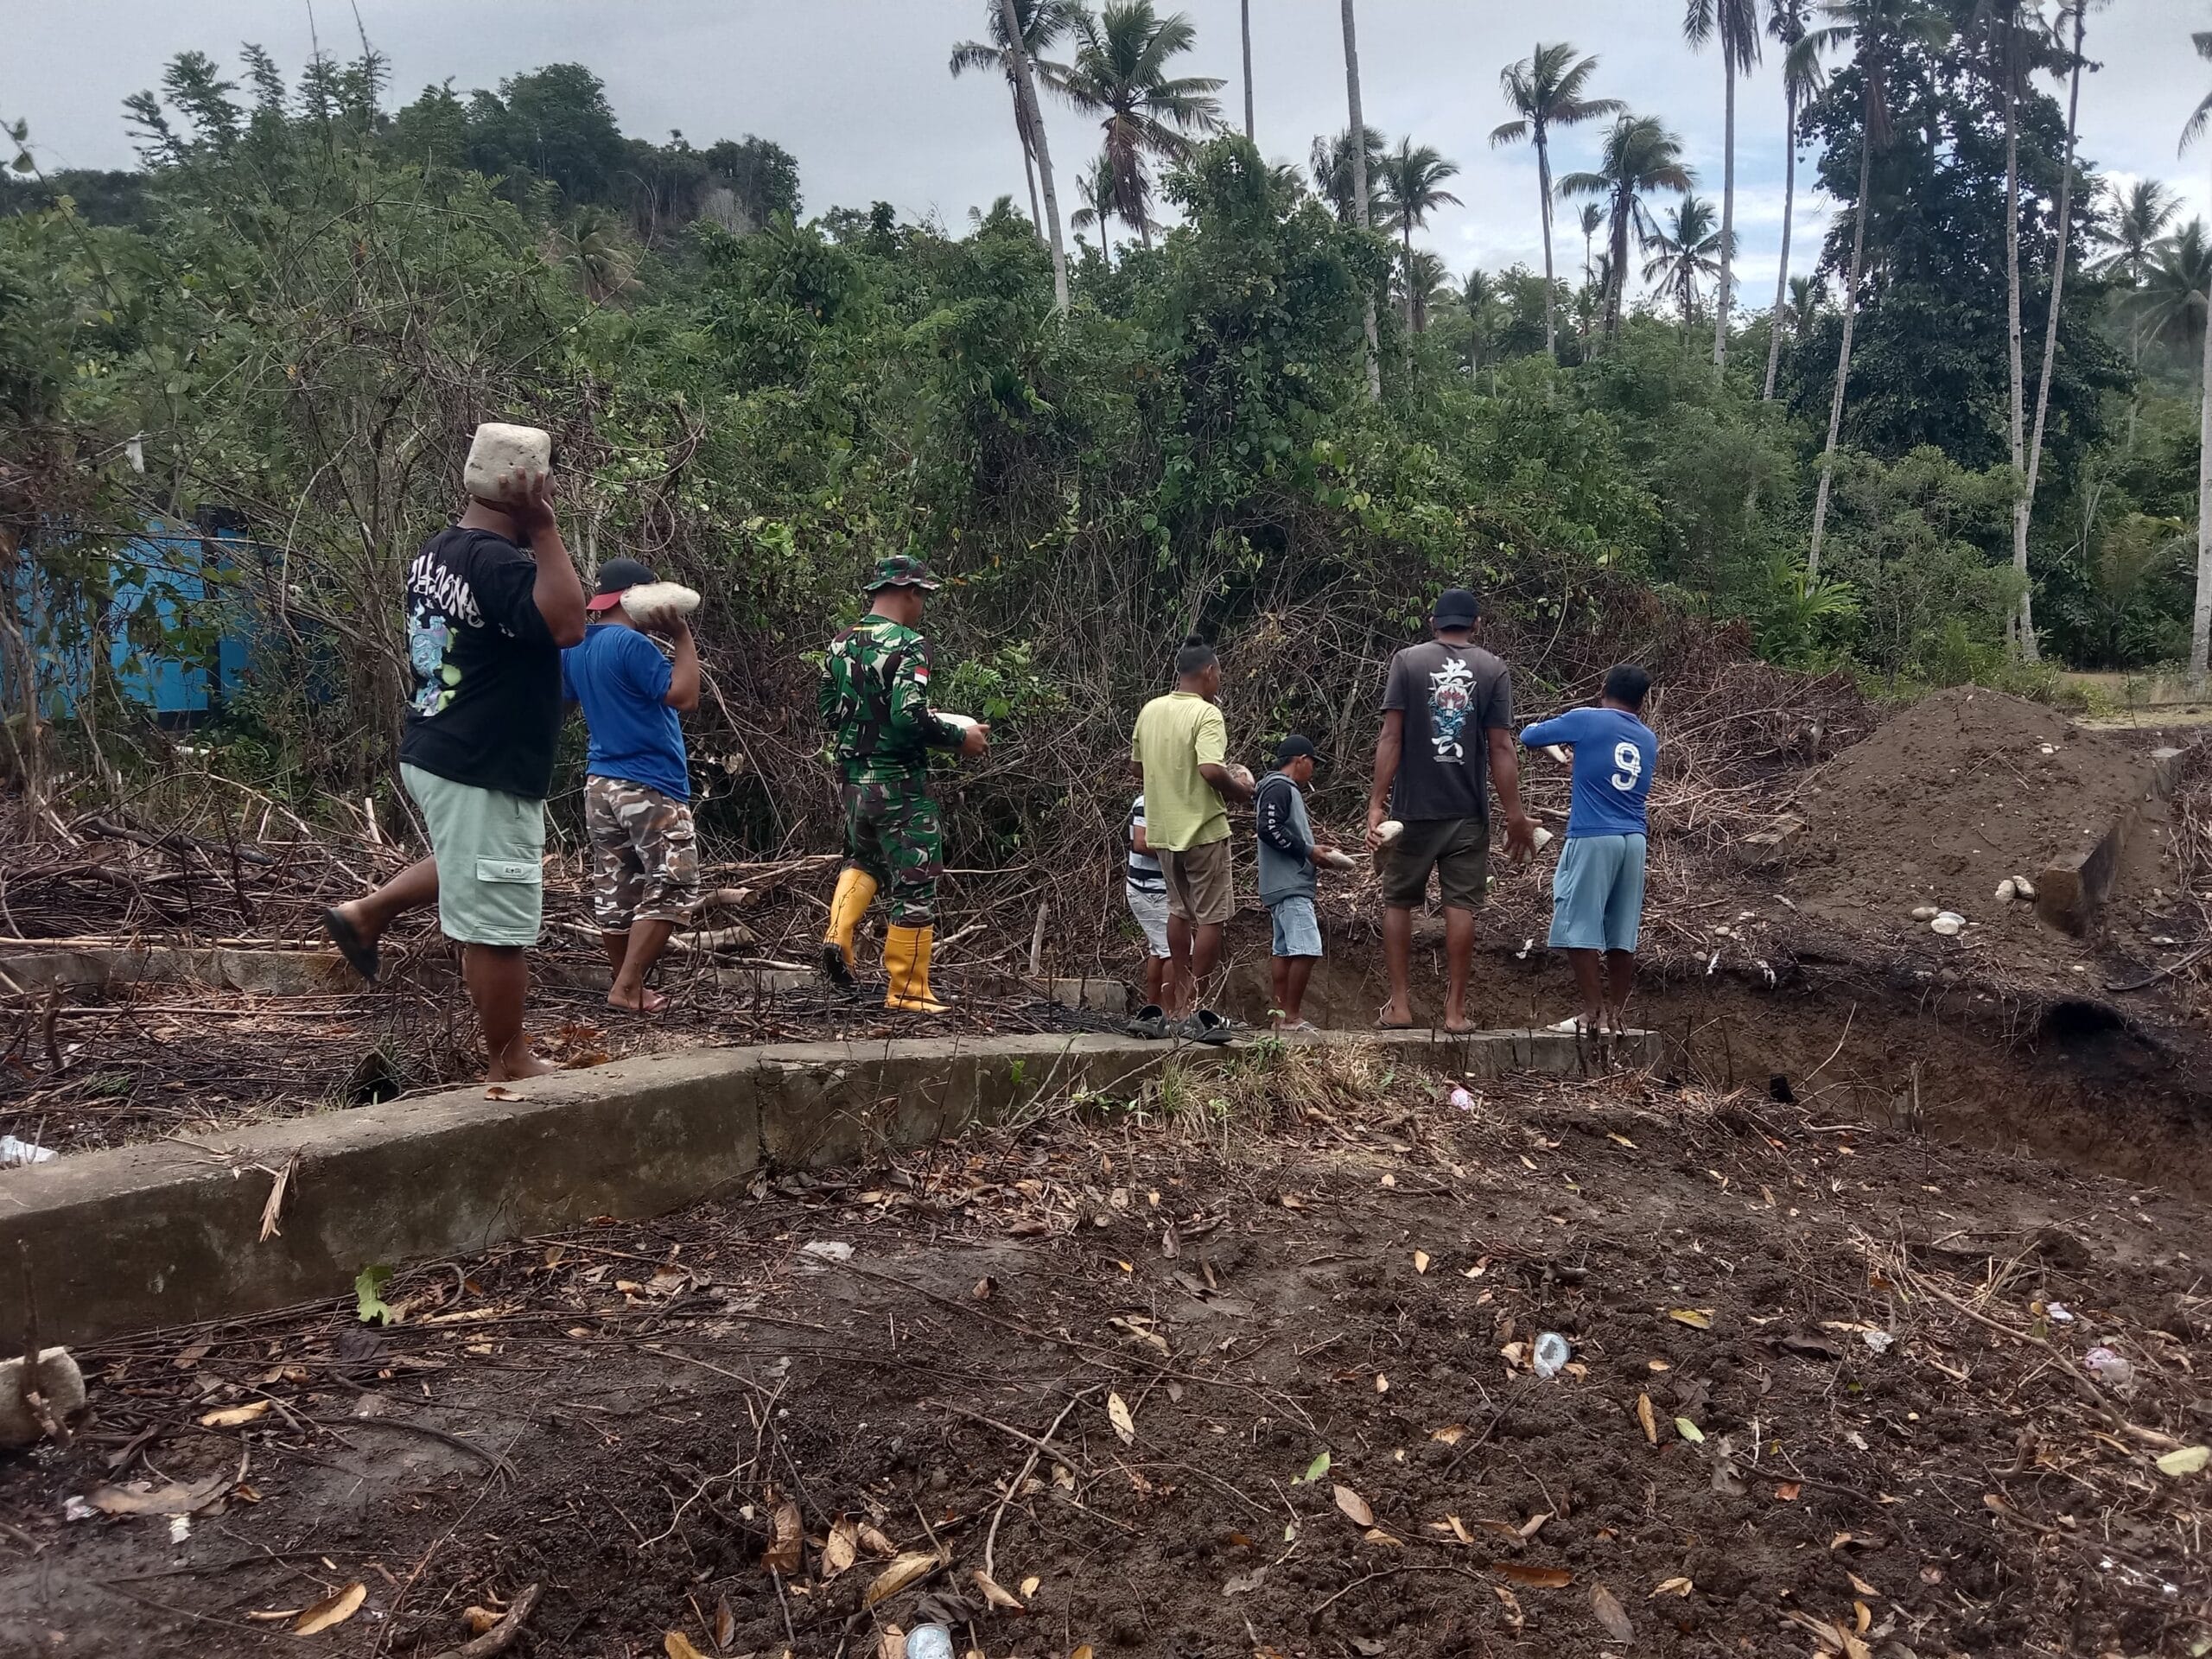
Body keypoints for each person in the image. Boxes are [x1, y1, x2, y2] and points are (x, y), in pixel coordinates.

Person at [321, 460, 588, 1079]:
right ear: (522, 493)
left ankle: (366, 915)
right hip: (482, 760)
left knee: (468, 862)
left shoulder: (437, 552)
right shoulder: (498, 562)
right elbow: (569, 623)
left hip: (437, 742)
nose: (555, 496)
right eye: (548, 486)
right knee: (498, 925)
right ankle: (509, 1061)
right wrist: (544, 529)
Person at [817, 554, 988, 1012]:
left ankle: (838, 935)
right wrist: (961, 738)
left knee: (865, 859)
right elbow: (907, 715)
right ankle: (909, 991)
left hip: (854, 781)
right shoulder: (911, 645)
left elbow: (829, 712)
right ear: (910, 592)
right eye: (922, 597)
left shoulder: (840, 643)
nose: (922, 607)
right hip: (901, 785)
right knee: (915, 881)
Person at [1364, 588, 1536, 1033]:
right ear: (1476, 624)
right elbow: (1501, 747)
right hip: (1466, 812)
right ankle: (1455, 1012)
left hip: (1412, 810)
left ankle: (1400, 1007)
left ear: (1433, 623)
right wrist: (1514, 815)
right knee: (1460, 906)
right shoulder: (1492, 668)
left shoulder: (1407, 662)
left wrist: (1377, 804)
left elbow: (1391, 737)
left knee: (1399, 901)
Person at [562, 557, 702, 1014]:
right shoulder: (631, 644)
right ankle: (627, 986)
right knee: (674, 883)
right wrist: (681, 636)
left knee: (615, 886)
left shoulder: (577, 645)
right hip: (649, 783)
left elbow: (563, 702)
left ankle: (628, 986)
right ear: (638, 598)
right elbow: (684, 696)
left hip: (600, 783)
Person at [1519, 664, 1657, 1033]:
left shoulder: (1587, 719)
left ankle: (1592, 1014)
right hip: (1634, 839)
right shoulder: (1648, 738)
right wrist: (1581, 765)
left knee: (1578, 922)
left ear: (1603, 689)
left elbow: (1530, 735)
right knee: (1621, 931)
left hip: (1593, 835)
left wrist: (1570, 756)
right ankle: (1617, 1015)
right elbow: (1613, 775)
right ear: (1641, 702)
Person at [1129, 638, 1254, 1033]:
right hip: (1203, 829)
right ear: (1209, 672)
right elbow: (1210, 769)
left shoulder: (1150, 710)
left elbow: (1136, 768)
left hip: (1165, 832)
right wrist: (1241, 791)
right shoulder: (1207, 714)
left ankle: (1177, 1006)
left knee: (1178, 911)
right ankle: (1197, 1005)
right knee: (1211, 917)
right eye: (1219, 674)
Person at [1254, 735, 1338, 1032]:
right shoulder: (1280, 787)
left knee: (1284, 950)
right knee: (1307, 949)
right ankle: (1291, 1016)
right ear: (1300, 760)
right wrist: (1308, 851)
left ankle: (1279, 1018)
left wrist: (1312, 850)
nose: (1313, 769)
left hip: (1278, 884)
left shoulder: (1274, 788)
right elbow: (1268, 828)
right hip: (1291, 884)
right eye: (1312, 762)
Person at [1124, 793, 1171, 1014]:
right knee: (1176, 951)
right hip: (1148, 888)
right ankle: (1172, 1013)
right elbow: (1141, 843)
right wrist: (1178, 854)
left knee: (1159, 950)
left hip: (1159, 887)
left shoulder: (1169, 800)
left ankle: (1154, 1010)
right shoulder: (1146, 802)